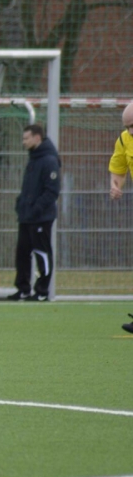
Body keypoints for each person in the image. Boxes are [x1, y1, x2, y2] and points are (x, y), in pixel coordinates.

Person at [8, 123, 61, 302]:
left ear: (37, 138)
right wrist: (21, 204)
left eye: (26, 138)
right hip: (26, 216)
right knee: (22, 253)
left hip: (40, 217)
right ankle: (23, 289)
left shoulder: (49, 160)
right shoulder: (33, 158)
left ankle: (42, 291)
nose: (23, 142)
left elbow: (52, 191)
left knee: (42, 252)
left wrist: (36, 208)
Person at [107, 103, 133, 332]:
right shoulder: (124, 140)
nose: (130, 131)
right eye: (127, 127)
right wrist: (115, 186)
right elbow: (118, 168)